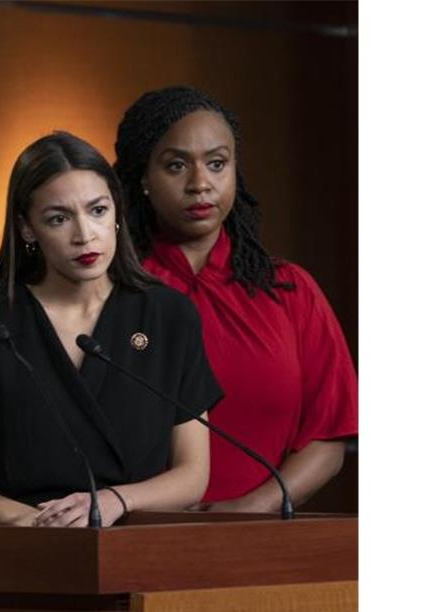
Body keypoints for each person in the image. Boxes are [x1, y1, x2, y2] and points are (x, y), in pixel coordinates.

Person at [0, 131, 222, 528]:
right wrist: (30, 525)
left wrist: (114, 501)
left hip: (136, 556)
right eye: (59, 218)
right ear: (27, 228)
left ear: (117, 213)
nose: (84, 235)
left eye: (97, 210)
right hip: (15, 558)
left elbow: (193, 473)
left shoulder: (169, 314)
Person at [113, 85, 358, 513]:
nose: (200, 183)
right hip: (135, 541)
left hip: (260, 547)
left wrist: (251, 508)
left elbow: (329, 435)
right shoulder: (110, 291)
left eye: (217, 164)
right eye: (176, 166)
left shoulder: (290, 289)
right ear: (143, 179)